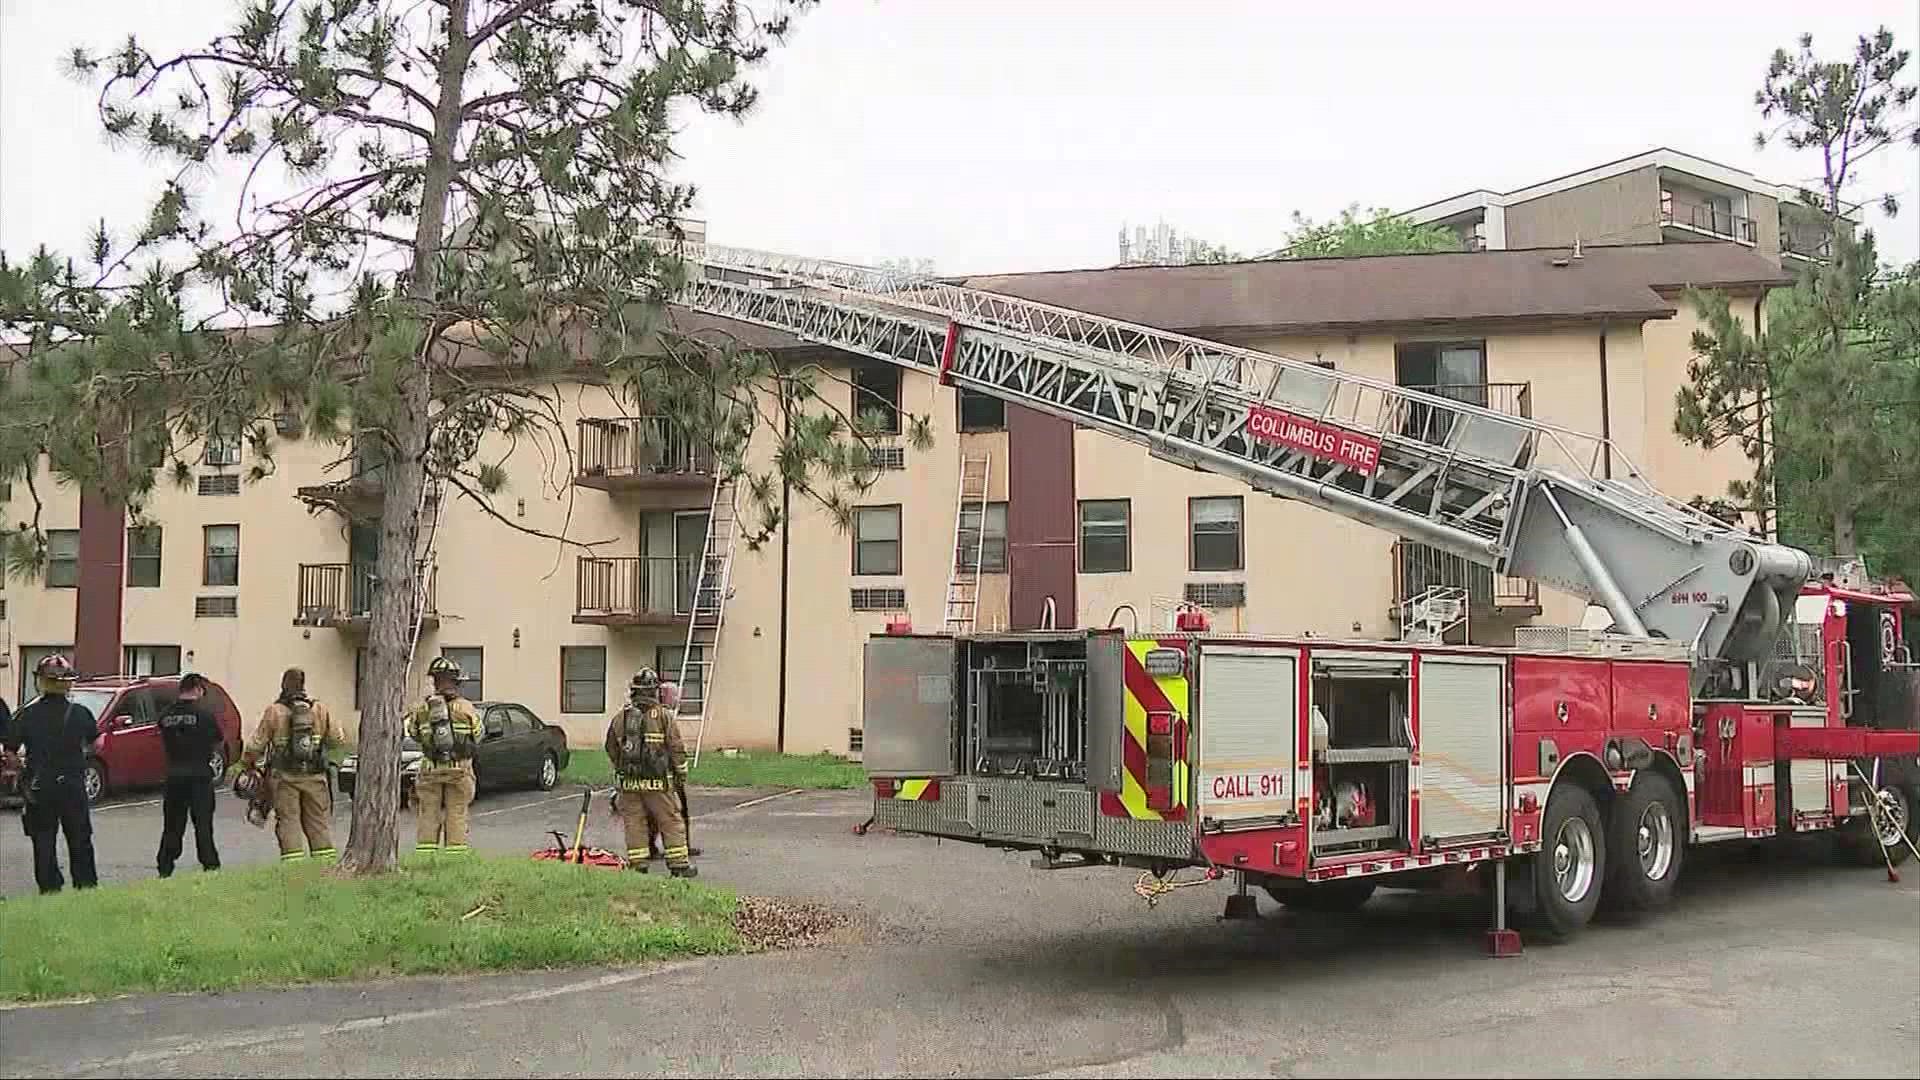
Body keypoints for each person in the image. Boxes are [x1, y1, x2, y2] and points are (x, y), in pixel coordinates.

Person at [3, 655, 100, 893]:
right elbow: (96, 744)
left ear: (41, 682)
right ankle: (85, 885)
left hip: (40, 787)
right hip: (73, 785)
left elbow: (10, 752)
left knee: (43, 840)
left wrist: (23, 770)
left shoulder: (27, 714)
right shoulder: (81, 713)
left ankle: (49, 887)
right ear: (68, 683)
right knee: (79, 837)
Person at [241, 667, 340, 863]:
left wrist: (248, 764)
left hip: (285, 778)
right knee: (318, 823)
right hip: (315, 776)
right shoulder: (320, 709)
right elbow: (337, 738)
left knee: (288, 821)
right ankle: (324, 865)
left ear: (283, 685)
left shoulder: (274, 711)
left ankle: (293, 868)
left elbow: (255, 745)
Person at [605, 668, 694, 877]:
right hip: (658, 783)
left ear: (633, 691)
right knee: (670, 820)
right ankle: (679, 865)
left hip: (629, 783)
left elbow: (611, 747)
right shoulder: (663, 716)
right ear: (654, 691)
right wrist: (681, 773)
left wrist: (622, 768)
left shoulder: (621, 718)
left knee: (634, 823)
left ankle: (638, 866)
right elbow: (676, 747)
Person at [405, 656, 481, 857]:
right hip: (458, 769)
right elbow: (479, 733)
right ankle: (455, 858)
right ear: (456, 681)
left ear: (435, 680)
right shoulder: (465, 707)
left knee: (428, 813)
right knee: (456, 812)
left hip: (430, 769)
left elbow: (412, 732)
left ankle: (425, 857)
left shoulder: (422, 708)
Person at [156, 673, 223, 877]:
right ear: (196, 688)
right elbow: (217, 740)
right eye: (202, 689)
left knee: (172, 825)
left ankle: (165, 866)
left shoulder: (166, 715)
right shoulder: (205, 715)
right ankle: (210, 865)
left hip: (174, 775)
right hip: (199, 776)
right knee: (203, 824)